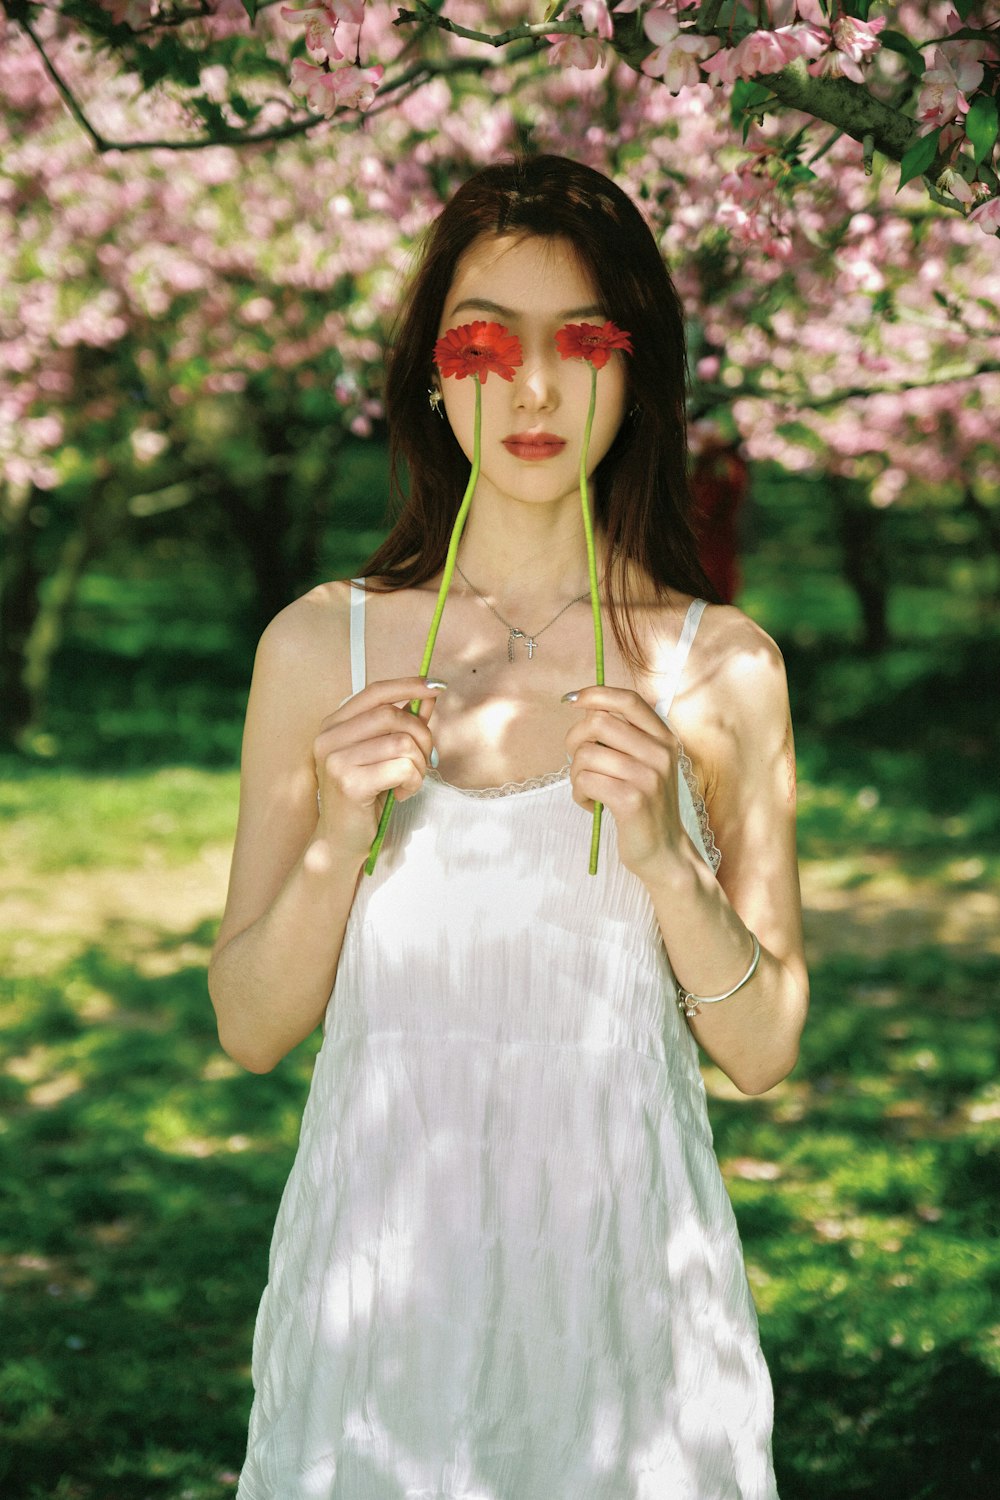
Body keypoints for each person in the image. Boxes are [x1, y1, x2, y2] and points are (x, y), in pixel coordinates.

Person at [209, 154, 809, 1500]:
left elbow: (765, 1048)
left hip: (627, 1304)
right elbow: (248, 1026)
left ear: (639, 368)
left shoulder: (726, 671)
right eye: (485, 342)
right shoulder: (322, 646)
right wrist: (330, 848)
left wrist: (664, 859)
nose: (531, 388)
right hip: (383, 1307)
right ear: (432, 370)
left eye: (581, 341)